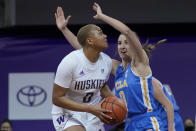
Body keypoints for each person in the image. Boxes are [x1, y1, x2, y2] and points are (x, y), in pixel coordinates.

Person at [55, 3, 174, 131]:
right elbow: (84, 49)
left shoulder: (140, 64)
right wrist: (64, 29)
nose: (122, 46)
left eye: (126, 43)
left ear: (134, 46)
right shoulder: (116, 68)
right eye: (119, 43)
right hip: (129, 123)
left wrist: (102, 16)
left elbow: (127, 31)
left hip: (147, 121)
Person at [52, 7, 115, 131]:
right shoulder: (70, 62)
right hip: (68, 112)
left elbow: (103, 87)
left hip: (93, 113)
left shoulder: (106, 61)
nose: (105, 35)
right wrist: (90, 108)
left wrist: (116, 104)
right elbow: (56, 98)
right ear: (90, 41)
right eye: (100, 33)